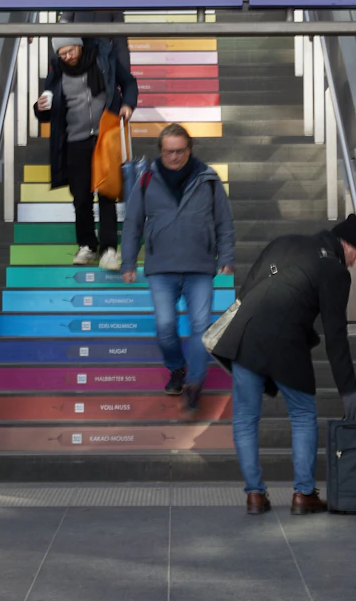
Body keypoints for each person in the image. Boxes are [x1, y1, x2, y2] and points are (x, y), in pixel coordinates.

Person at [208, 214, 356, 515]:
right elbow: (336, 335)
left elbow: (249, 288)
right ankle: (303, 494)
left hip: (245, 334)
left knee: (245, 419)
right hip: (285, 342)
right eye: (355, 256)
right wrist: (349, 390)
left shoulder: (284, 242)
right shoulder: (334, 270)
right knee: (303, 414)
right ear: (346, 245)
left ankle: (254, 495)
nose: (352, 263)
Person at [120, 124, 235, 417]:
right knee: (164, 327)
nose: (174, 156)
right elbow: (133, 224)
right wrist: (129, 263)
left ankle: (195, 384)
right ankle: (177, 369)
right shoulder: (146, 179)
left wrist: (228, 256)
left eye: (180, 151)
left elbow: (224, 221)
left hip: (199, 267)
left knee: (200, 328)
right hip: (161, 268)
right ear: (161, 151)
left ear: (189, 149)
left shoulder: (208, 178)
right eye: (168, 151)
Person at [35, 35, 137, 272]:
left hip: (105, 136)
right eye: (62, 54)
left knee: (107, 193)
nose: (66, 57)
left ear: (79, 46)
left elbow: (129, 83)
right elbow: (48, 110)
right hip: (74, 141)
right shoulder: (57, 72)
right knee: (81, 197)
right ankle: (87, 246)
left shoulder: (104, 60)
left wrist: (127, 104)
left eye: (69, 51)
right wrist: (39, 108)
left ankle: (110, 249)